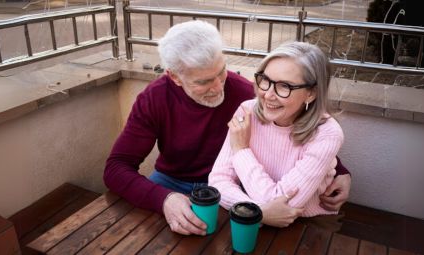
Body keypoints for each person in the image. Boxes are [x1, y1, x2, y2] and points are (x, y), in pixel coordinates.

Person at [103, 20, 352, 236]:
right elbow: (116, 168)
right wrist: (164, 199)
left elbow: (298, 129)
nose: (218, 86)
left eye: (221, 72)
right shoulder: (155, 98)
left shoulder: (246, 94)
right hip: (173, 182)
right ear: (175, 77)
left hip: (234, 188)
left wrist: (337, 169)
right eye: (203, 81)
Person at [209, 42, 342, 228]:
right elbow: (218, 181)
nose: (268, 94)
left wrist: (241, 150)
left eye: (284, 86)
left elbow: (285, 205)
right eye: (265, 80)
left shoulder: (327, 134)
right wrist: (257, 213)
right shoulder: (247, 111)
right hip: (253, 219)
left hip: (309, 226)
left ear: (311, 93)